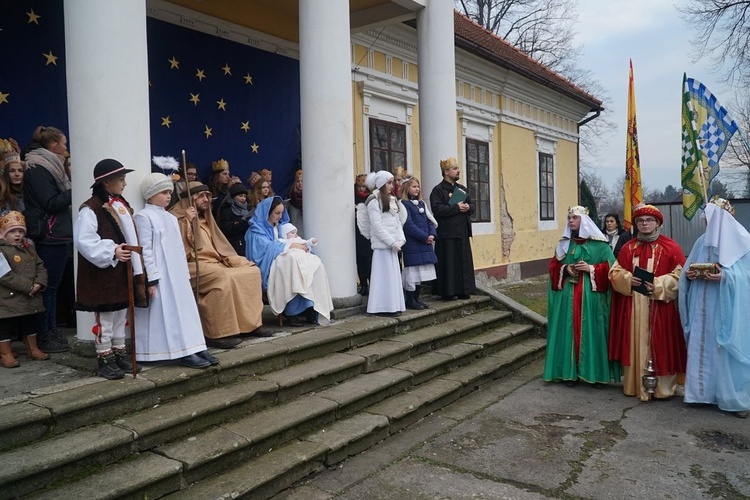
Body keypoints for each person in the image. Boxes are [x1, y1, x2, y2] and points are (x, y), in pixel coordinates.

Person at [170, 181, 270, 348]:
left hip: (217, 262)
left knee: (251, 270)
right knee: (222, 277)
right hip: (192, 264)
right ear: (189, 200)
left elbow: (220, 247)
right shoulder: (174, 218)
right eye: (200, 196)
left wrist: (234, 260)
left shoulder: (206, 218)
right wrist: (187, 221)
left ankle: (250, 324)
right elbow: (180, 250)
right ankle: (220, 333)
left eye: (207, 196)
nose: (205, 200)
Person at [134, 173, 218, 369]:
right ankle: (178, 350)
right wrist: (151, 278)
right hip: (162, 274)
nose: (168, 196)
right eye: (164, 192)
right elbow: (145, 250)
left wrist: (184, 274)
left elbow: (179, 247)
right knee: (167, 313)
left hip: (176, 273)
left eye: (170, 192)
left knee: (185, 311)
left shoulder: (170, 218)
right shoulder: (144, 217)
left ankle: (195, 345)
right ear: (151, 194)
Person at [74, 159, 145, 379]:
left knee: (120, 314)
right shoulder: (91, 209)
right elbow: (84, 240)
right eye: (121, 180)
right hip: (105, 272)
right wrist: (112, 251)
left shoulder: (119, 203)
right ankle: (104, 357)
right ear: (106, 182)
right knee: (105, 317)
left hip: (121, 271)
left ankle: (118, 353)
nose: (124, 184)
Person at [679, 197, 750, 418]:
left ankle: (734, 399)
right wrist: (688, 276)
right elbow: (687, 269)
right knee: (703, 345)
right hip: (701, 304)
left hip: (725, 306)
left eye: (710, 219)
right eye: (705, 219)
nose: (706, 223)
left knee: (725, 349)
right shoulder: (701, 242)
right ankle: (702, 394)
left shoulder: (742, 241)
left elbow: (746, 275)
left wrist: (726, 277)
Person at [609, 204, 686, 401]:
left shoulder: (671, 247)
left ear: (657, 223)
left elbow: (681, 276)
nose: (644, 224)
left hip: (660, 306)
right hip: (634, 307)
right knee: (635, 343)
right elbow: (614, 272)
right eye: (640, 221)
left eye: (649, 220)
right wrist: (627, 279)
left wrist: (658, 284)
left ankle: (662, 388)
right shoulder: (628, 248)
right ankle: (635, 385)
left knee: (661, 343)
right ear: (636, 224)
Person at [543, 206, 615, 386]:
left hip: (591, 299)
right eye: (569, 218)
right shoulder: (566, 244)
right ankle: (569, 372)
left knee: (594, 332)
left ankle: (596, 373)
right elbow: (553, 267)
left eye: (574, 218)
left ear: (583, 221)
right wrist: (565, 269)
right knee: (568, 332)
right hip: (568, 297)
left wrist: (591, 269)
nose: (570, 221)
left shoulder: (600, 245)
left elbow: (614, 269)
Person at [22, 126, 72, 353]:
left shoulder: (50, 167)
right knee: (48, 287)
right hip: (50, 234)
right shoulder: (38, 169)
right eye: (64, 144)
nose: (66, 149)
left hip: (58, 234)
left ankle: (51, 329)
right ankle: (45, 333)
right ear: (54, 146)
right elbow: (50, 203)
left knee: (53, 287)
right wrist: (76, 188)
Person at [246, 196, 333, 326]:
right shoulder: (256, 230)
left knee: (314, 262)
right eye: (277, 213)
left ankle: (312, 307)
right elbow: (263, 250)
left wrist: (303, 247)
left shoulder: (281, 227)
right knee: (292, 264)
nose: (280, 216)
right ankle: (292, 311)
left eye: (281, 213)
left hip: (286, 258)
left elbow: (292, 239)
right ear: (267, 212)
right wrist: (292, 246)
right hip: (269, 265)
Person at [0, 211, 50, 368]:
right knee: (5, 327)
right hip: (7, 299)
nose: (17, 235)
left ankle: (33, 349)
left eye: (21, 231)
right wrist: (28, 286)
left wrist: (40, 283)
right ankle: (6, 354)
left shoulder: (29, 249)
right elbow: (4, 275)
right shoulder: (2, 250)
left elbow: (40, 266)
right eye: (13, 231)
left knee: (29, 323)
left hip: (29, 296)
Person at [429, 156, 476, 300]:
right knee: (448, 264)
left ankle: (463, 290)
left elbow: (472, 206)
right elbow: (438, 210)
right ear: (446, 172)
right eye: (455, 169)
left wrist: (468, 207)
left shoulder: (461, 189)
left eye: (457, 168)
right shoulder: (438, 190)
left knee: (463, 264)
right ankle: (448, 292)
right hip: (447, 234)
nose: (458, 171)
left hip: (461, 232)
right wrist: (456, 207)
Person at [364, 170, 405, 316]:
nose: (391, 185)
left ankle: (393, 305)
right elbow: (377, 226)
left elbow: (397, 222)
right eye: (389, 183)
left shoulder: (391, 200)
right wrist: (391, 242)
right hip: (383, 248)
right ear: (381, 184)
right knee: (383, 277)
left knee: (393, 277)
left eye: (392, 182)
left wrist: (401, 239)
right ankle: (381, 306)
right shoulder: (373, 202)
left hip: (393, 247)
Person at [399, 176, 437, 310]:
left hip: (424, 242)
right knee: (412, 272)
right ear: (406, 188)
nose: (417, 189)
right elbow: (408, 225)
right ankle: (410, 299)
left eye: (418, 186)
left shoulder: (422, 204)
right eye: (414, 186)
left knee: (420, 272)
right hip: (412, 243)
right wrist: (424, 237)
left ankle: (416, 298)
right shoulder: (403, 204)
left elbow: (429, 220)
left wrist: (432, 234)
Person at [218, 183, 251, 256]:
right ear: (233, 197)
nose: (243, 199)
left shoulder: (247, 209)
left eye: (244, 196)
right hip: (233, 246)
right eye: (240, 196)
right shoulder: (227, 210)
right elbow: (227, 229)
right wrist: (243, 224)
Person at [354, 174, 373, 296]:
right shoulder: (353, 198)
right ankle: (363, 284)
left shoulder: (371, 199)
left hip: (369, 234)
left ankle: (372, 283)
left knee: (369, 261)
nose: (361, 189)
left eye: (364, 187)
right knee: (359, 261)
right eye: (359, 186)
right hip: (356, 234)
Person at [1, 148, 25, 212]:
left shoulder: (30, 192)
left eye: (20, 171)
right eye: (12, 171)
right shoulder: (2, 194)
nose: (17, 174)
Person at [284, 170, 304, 238]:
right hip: (294, 232)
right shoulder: (290, 197)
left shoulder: (311, 198)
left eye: (302, 181)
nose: (300, 183)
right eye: (298, 181)